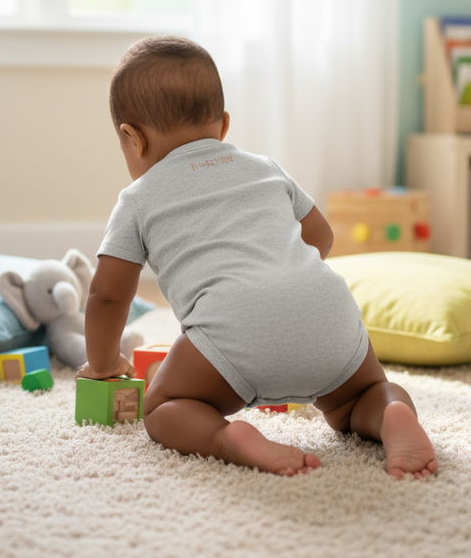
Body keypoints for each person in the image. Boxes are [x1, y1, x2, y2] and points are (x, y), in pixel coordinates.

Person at [76, 36, 437, 479]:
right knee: (358, 399)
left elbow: (108, 296)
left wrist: (103, 364)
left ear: (131, 139)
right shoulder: (266, 168)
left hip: (232, 332)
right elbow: (321, 238)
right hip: (328, 313)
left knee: (165, 407)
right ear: (223, 125)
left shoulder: (137, 198)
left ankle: (228, 438)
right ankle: (392, 414)